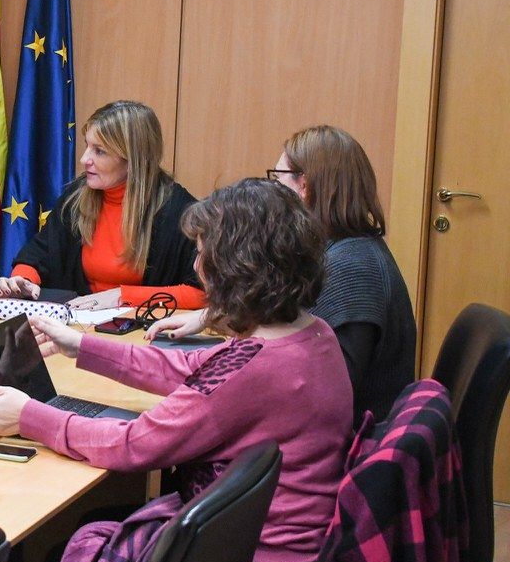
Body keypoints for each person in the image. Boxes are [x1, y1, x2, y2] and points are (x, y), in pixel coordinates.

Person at [0, 178, 352, 562]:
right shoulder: (307, 333)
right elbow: (193, 370)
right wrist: (80, 346)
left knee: (66, 551)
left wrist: (29, 417)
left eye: (201, 252)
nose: (196, 266)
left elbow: (134, 445)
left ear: (236, 266)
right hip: (282, 555)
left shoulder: (256, 367)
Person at [149, 125, 415, 423]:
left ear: (306, 186)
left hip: (345, 450)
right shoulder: (351, 249)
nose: (271, 190)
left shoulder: (350, 268)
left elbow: (319, 388)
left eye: (277, 179)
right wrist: (209, 317)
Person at [0, 100, 205, 311]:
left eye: (99, 151)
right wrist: (22, 280)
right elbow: (39, 254)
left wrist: (122, 296)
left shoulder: (180, 212)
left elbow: (201, 294)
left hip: (141, 336)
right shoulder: (76, 197)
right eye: (87, 146)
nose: (85, 159)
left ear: (133, 161)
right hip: (77, 328)